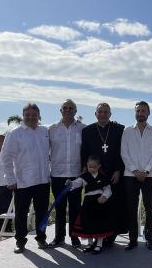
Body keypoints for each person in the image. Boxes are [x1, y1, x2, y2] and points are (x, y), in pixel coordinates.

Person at [1, 103, 51, 253]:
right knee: (21, 214)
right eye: (27, 115)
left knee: (42, 213)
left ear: (38, 116)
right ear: (23, 116)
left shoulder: (44, 131)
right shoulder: (15, 133)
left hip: (43, 180)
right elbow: (5, 157)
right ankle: (20, 241)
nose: (30, 117)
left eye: (34, 115)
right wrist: (10, 179)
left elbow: (50, 153)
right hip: (23, 181)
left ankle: (41, 239)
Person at [81, 103, 126, 247]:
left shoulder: (119, 129)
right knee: (95, 206)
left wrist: (118, 170)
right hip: (95, 173)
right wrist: (85, 169)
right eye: (100, 112)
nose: (103, 114)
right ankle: (94, 235)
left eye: (106, 112)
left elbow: (122, 152)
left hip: (113, 173)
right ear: (95, 114)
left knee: (113, 205)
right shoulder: (87, 130)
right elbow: (84, 152)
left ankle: (110, 236)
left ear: (110, 114)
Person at [120, 101, 152, 251]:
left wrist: (147, 171)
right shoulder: (127, 131)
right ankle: (132, 239)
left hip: (149, 176)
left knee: (148, 207)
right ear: (135, 113)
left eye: (143, 111)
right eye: (138, 111)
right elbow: (124, 153)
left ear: (148, 113)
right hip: (131, 175)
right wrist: (135, 171)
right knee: (131, 207)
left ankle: (149, 238)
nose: (140, 113)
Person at [49, 99, 85, 247]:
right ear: (61, 110)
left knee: (75, 208)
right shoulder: (51, 129)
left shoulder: (83, 128)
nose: (68, 110)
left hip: (76, 175)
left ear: (75, 111)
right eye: (65, 107)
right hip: (57, 175)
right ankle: (59, 237)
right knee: (60, 208)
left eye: (71, 108)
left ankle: (75, 237)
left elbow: (87, 150)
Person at [68, 156, 114, 253]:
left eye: (94, 167)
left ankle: (99, 244)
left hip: (99, 203)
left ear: (99, 166)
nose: (92, 169)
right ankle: (90, 243)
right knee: (87, 222)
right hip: (88, 203)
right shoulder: (85, 177)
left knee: (99, 223)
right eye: (90, 166)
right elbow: (78, 183)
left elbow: (108, 189)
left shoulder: (103, 178)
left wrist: (104, 197)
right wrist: (71, 183)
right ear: (87, 166)